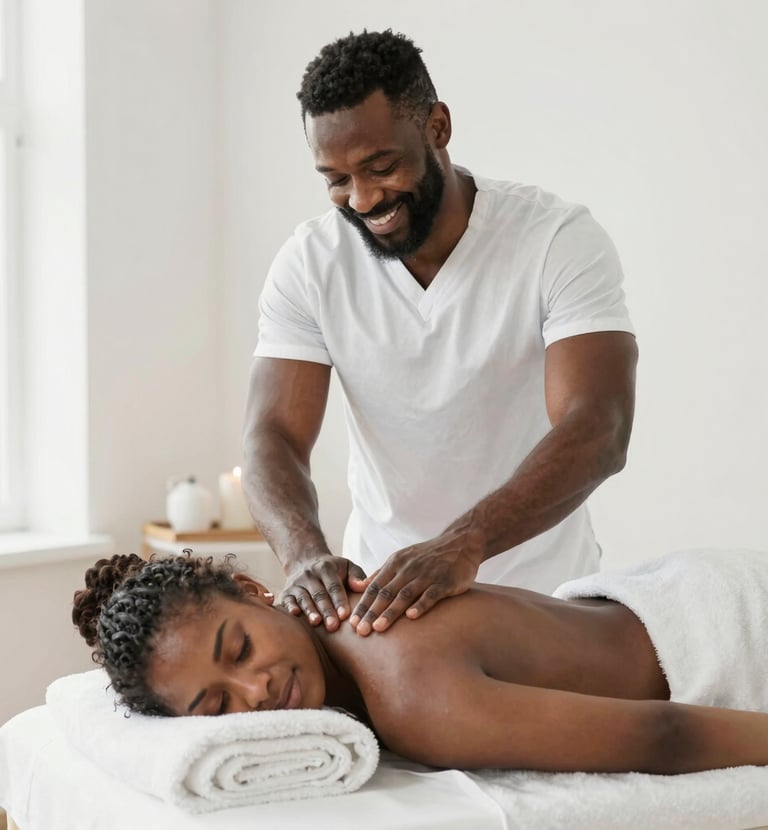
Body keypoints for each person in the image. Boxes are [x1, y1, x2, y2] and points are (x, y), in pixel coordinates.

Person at [242, 29, 638, 636]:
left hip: (547, 601)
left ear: (438, 128)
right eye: (336, 179)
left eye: (381, 166)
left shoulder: (555, 240)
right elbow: (272, 434)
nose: (363, 198)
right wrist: (304, 556)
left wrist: (464, 544)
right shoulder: (310, 263)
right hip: (383, 611)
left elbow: (600, 425)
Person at [73, 548, 768, 774]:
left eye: (240, 649)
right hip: (675, 584)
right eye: (217, 705)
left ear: (261, 592)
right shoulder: (343, 609)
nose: (255, 691)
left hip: (728, 631)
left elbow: (661, 734)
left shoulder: (408, 694)